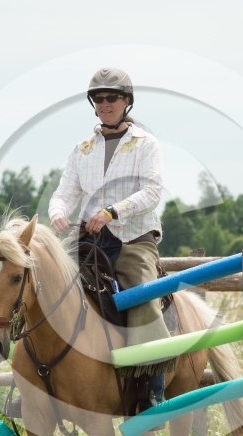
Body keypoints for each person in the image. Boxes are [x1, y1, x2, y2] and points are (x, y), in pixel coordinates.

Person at [48, 66, 174, 411]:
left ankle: (153, 386)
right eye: (99, 98)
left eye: (112, 97)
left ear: (126, 101)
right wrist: (57, 212)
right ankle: (38, 378)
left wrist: (112, 212)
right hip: (88, 240)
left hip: (133, 239)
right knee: (43, 284)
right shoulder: (82, 149)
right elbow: (64, 193)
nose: (105, 103)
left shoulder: (146, 144)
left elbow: (152, 192)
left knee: (143, 296)